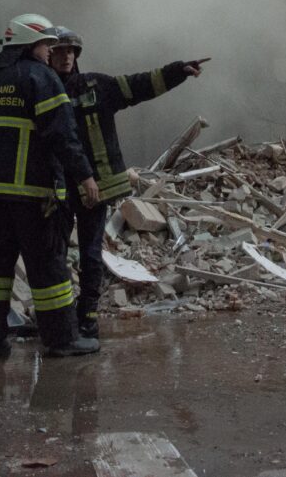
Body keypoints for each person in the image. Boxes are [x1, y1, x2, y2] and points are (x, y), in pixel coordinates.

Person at [48, 26, 206, 339]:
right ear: (48, 54)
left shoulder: (94, 85)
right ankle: (58, 317)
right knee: (53, 253)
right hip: (57, 188)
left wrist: (178, 71)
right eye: (60, 51)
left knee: (91, 253)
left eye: (71, 51)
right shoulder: (42, 88)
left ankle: (88, 316)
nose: (66, 57)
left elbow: (139, 85)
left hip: (96, 189)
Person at [0, 14, 100, 359]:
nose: (50, 53)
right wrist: (85, 175)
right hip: (31, 193)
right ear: (31, 44)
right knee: (47, 265)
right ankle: (62, 339)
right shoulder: (41, 78)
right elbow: (62, 134)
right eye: (47, 45)